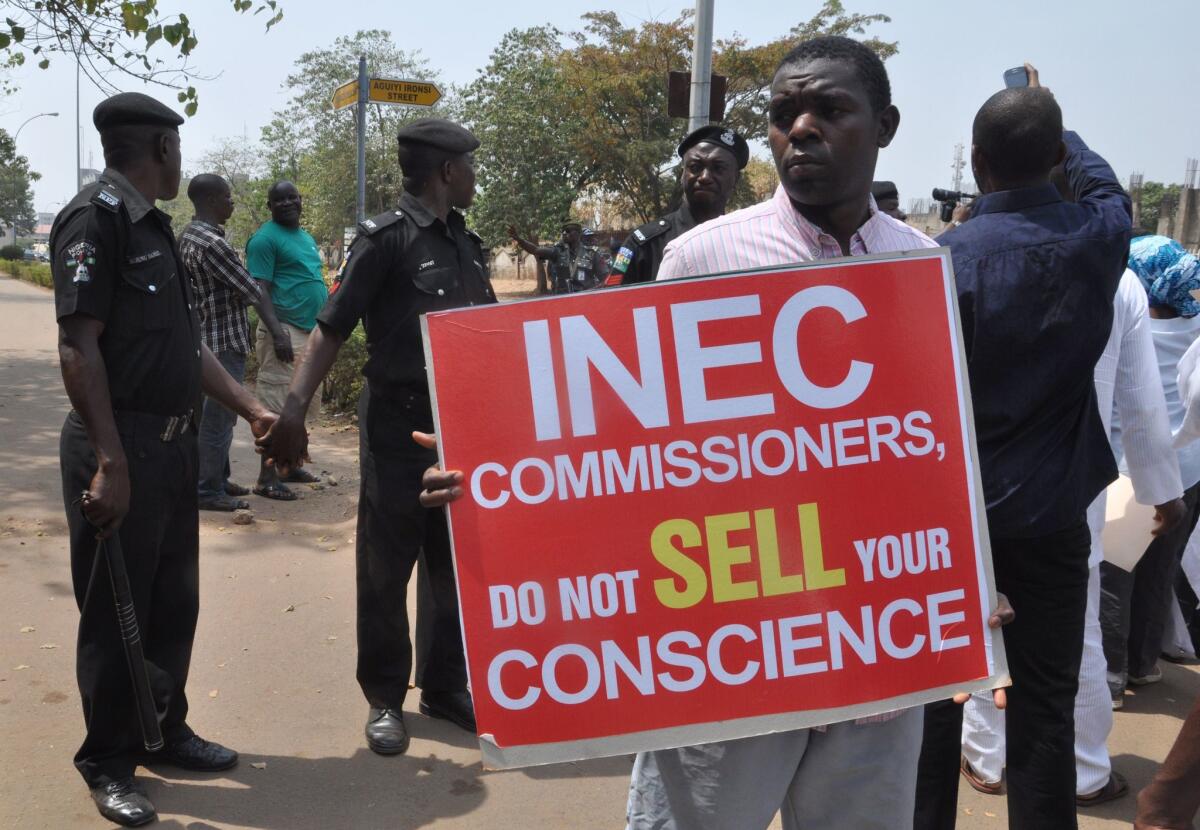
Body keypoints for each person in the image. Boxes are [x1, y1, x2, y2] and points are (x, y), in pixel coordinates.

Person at [417, 36, 1008, 830]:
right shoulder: (702, 260)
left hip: (876, 655)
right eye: (783, 115)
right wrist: (495, 479)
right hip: (731, 656)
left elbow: (935, 449)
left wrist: (970, 571)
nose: (801, 129)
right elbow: (630, 450)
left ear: (885, 125)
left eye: (828, 110)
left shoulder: (922, 267)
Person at [913, 64, 1134, 830]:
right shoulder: (1099, 239)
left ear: (976, 165)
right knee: (1044, 711)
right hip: (1050, 522)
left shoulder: (937, 262)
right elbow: (1108, 190)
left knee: (939, 702)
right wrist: (1057, 126)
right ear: (1054, 161)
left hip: (952, 526)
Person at [51, 92, 277, 827]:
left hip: (174, 448)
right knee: (117, 614)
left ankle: (164, 728)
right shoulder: (97, 222)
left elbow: (188, 345)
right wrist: (110, 462)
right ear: (157, 148)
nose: (180, 159)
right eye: (175, 147)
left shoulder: (157, 229)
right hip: (121, 449)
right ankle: (109, 760)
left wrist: (251, 408)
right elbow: (77, 346)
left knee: (172, 602)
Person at [258, 118, 493, 755]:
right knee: (388, 564)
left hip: (462, 432)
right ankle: (385, 697)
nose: (475, 174)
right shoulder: (384, 240)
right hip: (397, 425)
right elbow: (330, 329)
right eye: (470, 165)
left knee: (454, 561)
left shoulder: (467, 244)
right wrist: (295, 411)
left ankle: (444, 688)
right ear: (447, 172)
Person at [958, 260, 1185, 804]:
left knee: (985, 621)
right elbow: (1140, 401)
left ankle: (989, 760)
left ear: (984, 170)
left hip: (974, 489)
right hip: (1069, 495)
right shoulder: (1115, 276)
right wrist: (1161, 490)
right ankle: (1082, 769)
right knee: (1075, 631)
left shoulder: (959, 256)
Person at [1101, 235, 1200, 701]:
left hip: (1131, 470)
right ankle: (1143, 664)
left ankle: (1112, 677)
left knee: (1115, 575)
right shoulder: (1196, 329)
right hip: (1189, 470)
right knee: (1161, 570)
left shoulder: (1124, 325)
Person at [179, 174, 291, 511]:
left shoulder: (186, 234)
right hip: (223, 340)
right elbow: (251, 289)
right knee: (219, 420)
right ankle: (208, 490)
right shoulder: (213, 244)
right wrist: (277, 329)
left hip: (201, 338)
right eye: (228, 197)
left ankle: (217, 477)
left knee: (210, 418)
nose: (232, 202)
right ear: (213, 200)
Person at [245, 180, 327, 501]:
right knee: (278, 405)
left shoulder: (304, 237)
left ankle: (289, 466)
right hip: (284, 331)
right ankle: (266, 478)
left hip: (309, 332)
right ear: (269, 206)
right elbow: (259, 290)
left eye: (292, 197)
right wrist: (277, 332)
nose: (287, 203)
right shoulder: (265, 239)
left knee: (302, 403)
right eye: (279, 200)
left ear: (300, 200)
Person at [605, 124, 748, 286]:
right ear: (682, 175)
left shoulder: (747, 243)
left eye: (718, 168)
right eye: (695, 167)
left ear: (736, 179)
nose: (705, 177)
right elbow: (612, 304)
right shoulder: (643, 245)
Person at [508, 220, 607, 293]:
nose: (564, 233)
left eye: (568, 231)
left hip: (585, 302)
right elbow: (535, 250)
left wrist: (593, 292)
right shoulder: (558, 251)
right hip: (562, 302)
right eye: (563, 231)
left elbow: (606, 280)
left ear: (578, 234)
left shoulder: (592, 254)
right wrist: (519, 239)